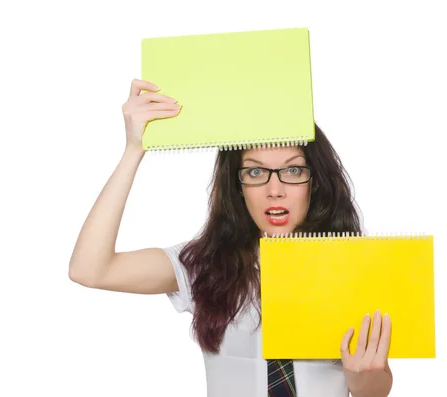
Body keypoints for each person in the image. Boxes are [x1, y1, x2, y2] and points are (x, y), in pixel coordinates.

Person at [69, 78, 393, 397]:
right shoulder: (204, 264)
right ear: (237, 186)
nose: (275, 190)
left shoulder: (351, 266)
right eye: (255, 172)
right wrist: (133, 150)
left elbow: (375, 391)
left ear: (316, 181)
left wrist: (360, 374)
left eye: (293, 170)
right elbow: (89, 269)